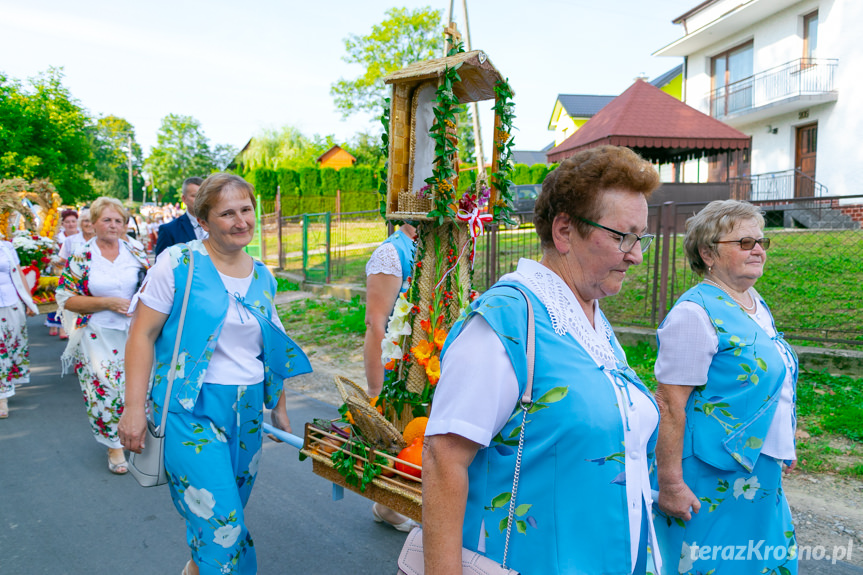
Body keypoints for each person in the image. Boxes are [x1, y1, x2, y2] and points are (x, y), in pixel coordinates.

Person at [422, 146, 663, 574]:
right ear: (565, 231)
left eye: (640, 237)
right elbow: (444, 459)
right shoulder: (506, 322)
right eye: (622, 236)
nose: (636, 255)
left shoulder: (591, 322)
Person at [118, 173, 312, 575]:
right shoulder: (178, 264)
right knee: (225, 524)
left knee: (223, 516)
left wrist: (279, 405)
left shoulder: (263, 275)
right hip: (190, 409)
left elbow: (270, 344)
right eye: (227, 213)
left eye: (246, 209)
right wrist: (132, 408)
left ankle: (195, 568)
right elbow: (142, 334)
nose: (241, 220)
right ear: (203, 220)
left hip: (246, 412)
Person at [653, 200, 798, 574]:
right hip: (709, 473)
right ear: (707, 252)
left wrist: (785, 439)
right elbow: (670, 403)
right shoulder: (694, 313)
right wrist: (670, 484)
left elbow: (769, 382)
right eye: (745, 242)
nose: (759, 249)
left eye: (762, 241)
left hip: (757, 469)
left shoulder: (753, 303)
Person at [55, 197, 150, 474]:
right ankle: (114, 446)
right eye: (107, 219)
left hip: (136, 333)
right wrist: (107, 302)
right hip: (97, 334)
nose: (113, 225)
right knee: (106, 392)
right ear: (93, 223)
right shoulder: (82, 255)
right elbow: (65, 298)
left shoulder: (135, 250)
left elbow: (152, 285)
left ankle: (135, 436)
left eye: (119, 220)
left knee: (136, 388)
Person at [362, 221, 418, 532]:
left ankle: (391, 504)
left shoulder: (435, 245)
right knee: (400, 436)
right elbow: (375, 323)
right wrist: (375, 390)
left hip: (423, 359)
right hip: (396, 366)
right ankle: (389, 506)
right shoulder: (391, 253)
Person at [0, 239, 39, 419]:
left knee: (9, 348)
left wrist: (28, 300)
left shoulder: (6, 246)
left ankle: (6, 384)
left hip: (11, 303)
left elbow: (19, 274)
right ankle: (3, 398)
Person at [46, 208, 80, 337]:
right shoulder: (57, 237)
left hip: (76, 273)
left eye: (73, 221)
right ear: (62, 224)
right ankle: (57, 324)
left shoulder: (83, 236)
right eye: (67, 222)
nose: (71, 224)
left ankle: (66, 326)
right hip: (60, 271)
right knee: (59, 296)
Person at [154, 176, 205, 257]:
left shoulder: (217, 225)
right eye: (195, 196)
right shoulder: (169, 230)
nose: (200, 199)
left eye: (203, 195)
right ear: (184, 199)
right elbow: (161, 266)